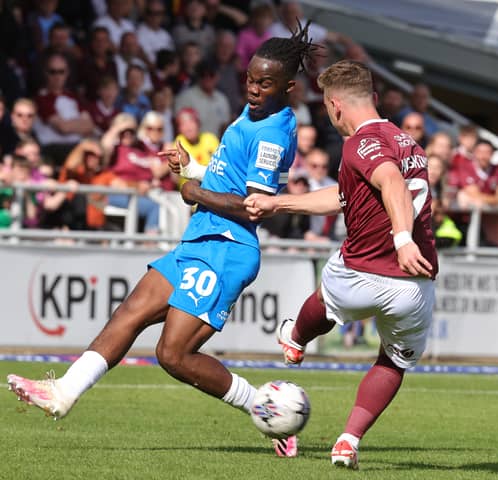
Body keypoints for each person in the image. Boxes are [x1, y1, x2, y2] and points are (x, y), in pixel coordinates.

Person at [7, 28, 316, 458]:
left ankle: (265, 411)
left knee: (173, 354)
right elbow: (229, 179)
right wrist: (193, 170)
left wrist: (196, 194)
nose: (253, 88)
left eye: (264, 83)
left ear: (288, 88)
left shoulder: (272, 134)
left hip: (227, 248)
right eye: (249, 78)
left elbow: (254, 207)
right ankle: (63, 392)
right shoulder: (252, 117)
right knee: (130, 311)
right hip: (202, 238)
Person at [245, 59, 438, 469]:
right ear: (373, 98)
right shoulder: (409, 143)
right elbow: (346, 195)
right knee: (393, 361)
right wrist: (278, 202)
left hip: (362, 271)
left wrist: (402, 239)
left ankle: (296, 339)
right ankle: (348, 440)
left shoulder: (360, 144)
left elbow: (390, 182)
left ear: (335, 106)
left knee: (327, 300)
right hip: (413, 286)